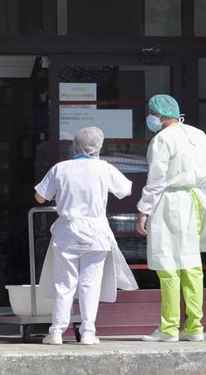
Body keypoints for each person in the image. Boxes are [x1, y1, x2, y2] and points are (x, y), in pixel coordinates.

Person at [136, 94, 206, 343]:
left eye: (151, 114)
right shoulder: (198, 135)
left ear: (159, 116)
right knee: (191, 264)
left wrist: (144, 210)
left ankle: (168, 328)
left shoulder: (161, 139)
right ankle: (195, 326)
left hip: (168, 202)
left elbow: (156, 180)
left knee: (167, 264)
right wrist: (198, 197)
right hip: (195, 200)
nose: (150, 118)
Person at [34, 126, 138, 345]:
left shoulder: (60, 168)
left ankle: (56, 332)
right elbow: (126, 190)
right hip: (96, 233)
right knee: (90, 285)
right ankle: (88, 332)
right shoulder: (104, 168)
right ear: (97, 147)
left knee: (64, 284)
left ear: (75, 145)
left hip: (67, 233)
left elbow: (40, 197)